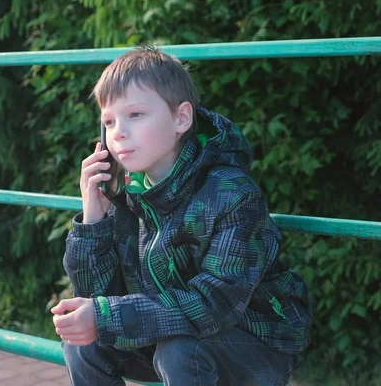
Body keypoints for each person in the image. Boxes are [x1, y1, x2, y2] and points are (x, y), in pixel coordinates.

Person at [50, 46, 313, 386]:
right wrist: (93, 220)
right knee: (82, 345)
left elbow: (215, 303)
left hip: (255, 343)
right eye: (109, 121)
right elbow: (96, 296)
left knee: (177, 350)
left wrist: (106, 317)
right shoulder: (129, 195)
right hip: (173, 335)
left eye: (135, 115)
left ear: (181, 118)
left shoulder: (231, 193)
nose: (118, 133)